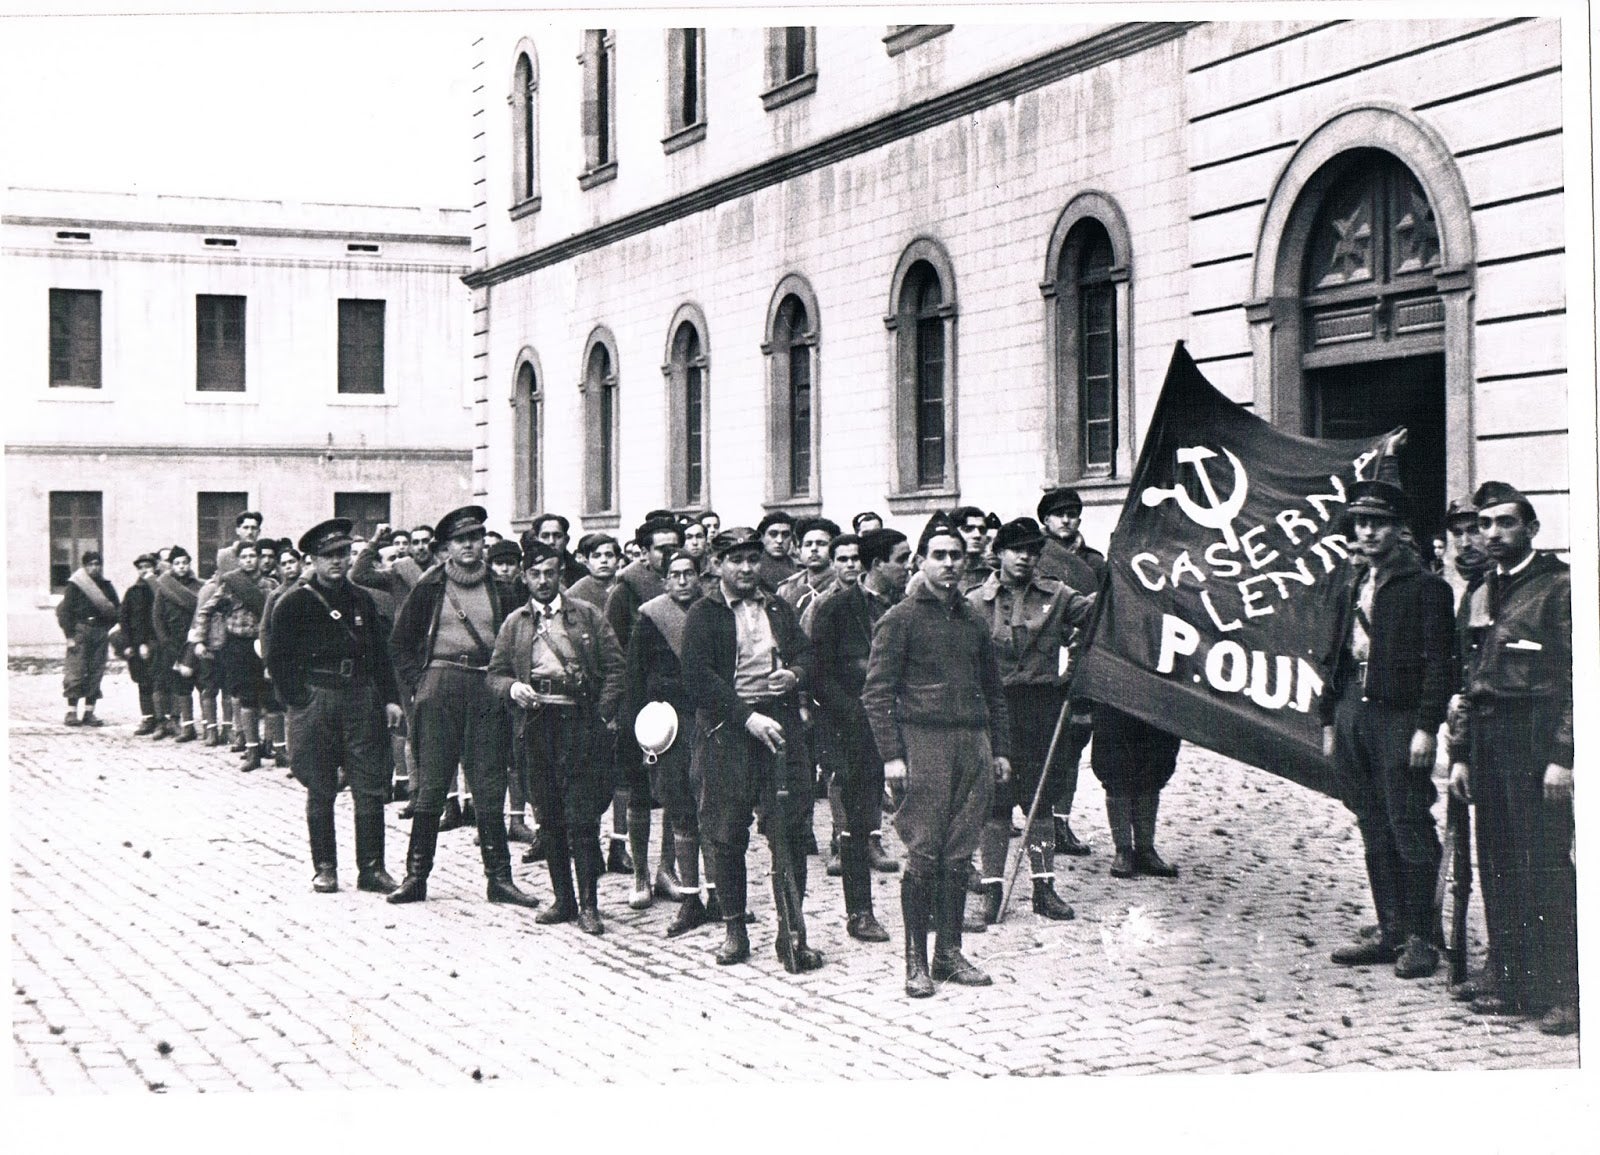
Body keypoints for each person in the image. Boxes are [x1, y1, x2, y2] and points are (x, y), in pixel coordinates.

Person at [1447, 482, 1576, 1034]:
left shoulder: (1558, 588)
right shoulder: (1479, 592)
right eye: (1485, 524)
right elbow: (1469, 682)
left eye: (1504, 523)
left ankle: (1568, 989)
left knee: (1544, 866)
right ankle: (1511, 975)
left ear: (1532, 529)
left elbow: (1580, 679)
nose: (1492, 534)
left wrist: (1563, 757)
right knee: (1497, 862)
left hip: (1536, 742)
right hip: (1490, 743)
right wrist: (1462, 756)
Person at [863, 519, 1011, 997]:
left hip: (972, 743)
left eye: (957, 556)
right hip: (924, 743)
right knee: (924, 853)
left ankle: (948, 953)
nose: (949, 564)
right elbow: (876, 694)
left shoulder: (972, 619)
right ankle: (915, 960)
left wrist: (1001, 749)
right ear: (921, 561)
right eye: (939, 555)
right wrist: (892, 757)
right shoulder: (900, 619)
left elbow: (994, 690)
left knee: (959, 852)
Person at [1318, 479, 1454, 980]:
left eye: (1378, 523)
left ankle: (1423, 937)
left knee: (1408, 821)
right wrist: (1329, 718)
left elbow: (1441, 665)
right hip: (1354, 710)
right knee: (1372, 822)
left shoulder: (1426, 588)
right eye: (1360, 523)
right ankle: (1391, 927)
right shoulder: (1356, 583)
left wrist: (1426, 728)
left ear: (1400, 531)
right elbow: (1333, 654)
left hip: (1398, 717)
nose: (1367, 532)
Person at [683, 527, 822, 972]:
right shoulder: (705, 614)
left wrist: (795, 674)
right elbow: (698, 678)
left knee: (788, 830)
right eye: (735, 560)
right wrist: (746, 716)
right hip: (728, 731)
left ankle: (791, 933)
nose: (746, 569)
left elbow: (807, 653)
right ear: (717, 565)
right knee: (726, 833)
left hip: (779, 729)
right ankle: (734, 929)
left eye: (752, 560)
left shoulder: (778, 607)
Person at [387, 506, 539, 909]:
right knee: (433, 785)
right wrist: (420, 686)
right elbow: (401, 644)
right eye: (460, 540)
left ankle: (500, 879)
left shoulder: (500, 586)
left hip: (486, 687)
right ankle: (415, 877)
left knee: (489, 785)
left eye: (475, 537)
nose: (469, 545)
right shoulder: (430, 585)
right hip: (440, 687)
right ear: (446, 549)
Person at [488, 540, 626, 933]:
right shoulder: (516, 623)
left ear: (559, 575)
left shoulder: (586, 616)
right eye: (535, 574)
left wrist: (600, 714)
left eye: (550, 573)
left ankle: (589, 906)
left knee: (582, 817)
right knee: (548, 816)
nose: (543, 580)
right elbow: (495, 673)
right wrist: (513, 689)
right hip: (535, 725)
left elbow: (616, 668)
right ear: (524, 577)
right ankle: (562, 899)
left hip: (579, 722)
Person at [967, 518, 1094, 927]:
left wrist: (1119, 582)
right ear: (999, 553)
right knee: (995, 802)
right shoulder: (972, 602)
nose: (1025, 557)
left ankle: (1044, 888)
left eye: (1033, 551)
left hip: (1042, 706)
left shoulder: (1057, 595)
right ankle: (991, 888)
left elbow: (1094, 615)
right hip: (994, 708)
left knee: (1040, 800)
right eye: (1017, 549)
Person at [265, 518, 404, 894]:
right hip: (317, 697)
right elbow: (278, 660)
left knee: (369, 783)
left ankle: (372, 868)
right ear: (311, 559)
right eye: (328, 556)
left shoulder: (361, 598)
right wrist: (300, 700)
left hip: (360, 695)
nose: (337, 562)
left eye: (343, 554)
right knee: (320, 782)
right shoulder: (293, 601)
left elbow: (379, 653)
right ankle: (325, 867)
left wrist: (390, 698)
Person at [808, 531, 899, 943]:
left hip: (904, 724)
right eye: (900, 559)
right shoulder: (835, 608)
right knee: (858, 821)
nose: (906, 566)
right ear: (876, 564)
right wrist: (859, 713)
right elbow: (820, 675)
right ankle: (860, 913)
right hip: (853, 729)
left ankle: (934, 905)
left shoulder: (908, 605)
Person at [625, 549, 715, 936]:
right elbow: (635, 675)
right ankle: (688, 896)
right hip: (670, 723)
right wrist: (635, 730)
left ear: (699, 577)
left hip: (709, 717)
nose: (682, 580)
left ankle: (720, 894)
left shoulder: (713, 612)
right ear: (664, 581)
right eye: (674, 574)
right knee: (679, 804)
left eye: (689, 573)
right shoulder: (650, 617)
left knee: (713, 806)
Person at [603, 517, 687, 894]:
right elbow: (617, 656)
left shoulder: (692, 594)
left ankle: (667, 869)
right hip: (640, 706)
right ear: (645, 553)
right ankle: (640, 873)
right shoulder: (625, 593)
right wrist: (629, 714)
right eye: (660, 549)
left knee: (675, 791)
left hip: (681, 710)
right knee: (638, 788)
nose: (668, 555)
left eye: (675, 547)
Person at [192, 539, 277, 771]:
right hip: (238, 647)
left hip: (264, 645)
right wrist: (200, 639)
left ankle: (275, 747)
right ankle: (252, 751)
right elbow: (206, 611)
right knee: (246, 698)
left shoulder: (270, 585)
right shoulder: (230, 583)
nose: (249, 560)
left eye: (253, 556)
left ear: (259, 559)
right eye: (245, 557)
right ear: (239, 560)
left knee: (271, 699)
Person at [57, 550, 120, 727]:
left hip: (100, 632)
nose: (94, 567)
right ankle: (71, 713)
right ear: (84, 566)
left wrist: (106, 629)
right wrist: (69, 636)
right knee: (75, 671)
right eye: (90, 564)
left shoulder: (106, 586)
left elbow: (116, 609)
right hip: (80, 631)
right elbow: (64, 612)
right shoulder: (76, 585)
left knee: (96, 671)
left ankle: (89, 713)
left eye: (97, 564)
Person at [152, 546, 202, 741]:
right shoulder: (164, 587)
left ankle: (178, 720)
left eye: (184, 563)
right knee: (163, 680)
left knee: (186, 682)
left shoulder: (198, 586)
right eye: (177, 563)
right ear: (171, 566)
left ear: (189, 564)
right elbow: (157, 616)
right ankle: (161, 722)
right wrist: (164, 640)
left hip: (190, 641)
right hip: (170, 642)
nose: (181, 567)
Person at [119, 553, 161, 734]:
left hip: (156, 642)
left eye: (148, 567)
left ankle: (162, 720)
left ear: (154, 568)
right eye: (141, 567)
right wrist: (128, 644)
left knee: (159, 681)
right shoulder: (132, 591)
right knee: (143, 681)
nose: (144, 570)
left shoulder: (159, 589)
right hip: (136, 644)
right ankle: (148, 719)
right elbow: (124, 619)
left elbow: (158, 619)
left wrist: (150, 643)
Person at [1035, 488, 1104, 591]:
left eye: (1071, 515)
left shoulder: (1094, 561)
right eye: (1059, 515)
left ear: (1078, 522)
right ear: (1046, 520)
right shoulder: (1033, 555)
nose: (1065, 521)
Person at [775, 517, 841, 614]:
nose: (814, 549)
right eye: (808, 544)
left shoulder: (841, 583)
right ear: (799, 549)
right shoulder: (787, 588)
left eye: (821, 544)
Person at [529, 513, 589, 589]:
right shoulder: (527, 572)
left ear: (566, 540)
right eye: (545, 536)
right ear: (536, 540)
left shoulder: (582, 573)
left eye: (557, 536)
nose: (551, 541)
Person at [566, 533, 621, 608]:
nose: (603, 560)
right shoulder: (574, 593)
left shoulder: (627, 586)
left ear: (617, 560)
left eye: (609, 555)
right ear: (586, 562)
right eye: (596, 556)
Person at [951, 506, 993, 594]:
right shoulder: (936, 573)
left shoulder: (993, 575)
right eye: (968, 529)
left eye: (982, 530)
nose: (977, 535)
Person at [755, 511, 798, 592]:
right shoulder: (755, 568)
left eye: (785, 535)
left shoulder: (798, 567)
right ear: (762, 538)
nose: (780, 540)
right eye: (773, 534)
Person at [214, 510, 264, 576]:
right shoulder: (225, 555)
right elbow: (220, 579)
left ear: (259, 531)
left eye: (254, 528)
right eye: (245, 528)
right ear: (237, 530)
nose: (250, 532)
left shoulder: (264, 554)